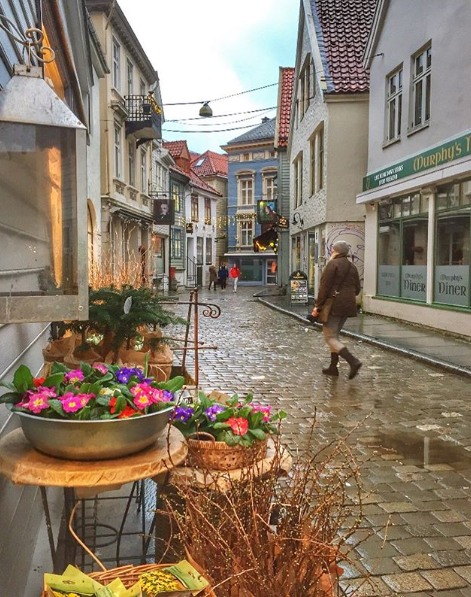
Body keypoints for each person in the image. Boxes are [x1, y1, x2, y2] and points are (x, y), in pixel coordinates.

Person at [311, 241, 362, 379]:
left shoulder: (332, 265)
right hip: (348, 306)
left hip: (333, 306)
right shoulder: (352, 267)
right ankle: (333, 367)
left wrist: (317, 306)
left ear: (336, 251)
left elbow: (324, 288)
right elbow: (357, 289)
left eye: (332, 250)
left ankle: (353, 361)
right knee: (335, 335)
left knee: (330, 337)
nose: (331, 252)